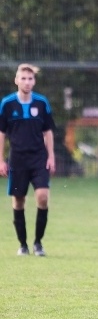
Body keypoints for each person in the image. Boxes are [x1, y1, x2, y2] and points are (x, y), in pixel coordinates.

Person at [0, 64, 56, 257]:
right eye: (23, 78)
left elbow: (47, 131)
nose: (27, 82)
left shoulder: (41, 103)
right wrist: (0, 160)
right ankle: (23, 244)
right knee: (19, 200)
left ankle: (38, 243)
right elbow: (1, 133)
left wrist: (51, 156)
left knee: (42, 196)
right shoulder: (7, 104)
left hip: (38, 158)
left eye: (30, 79)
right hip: (17, 160)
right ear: (16, 80)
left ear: (34, 81)